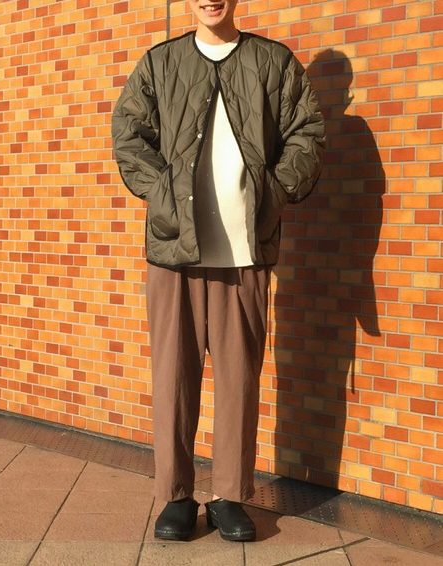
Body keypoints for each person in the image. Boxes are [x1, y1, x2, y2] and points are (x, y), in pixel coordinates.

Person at [112, 0, 325, 542]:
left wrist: (274, 192)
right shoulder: (159, 63)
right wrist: (161, 193)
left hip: (245, 252)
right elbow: (128, 134)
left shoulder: (273, 62)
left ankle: (230, 495)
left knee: (238, 381)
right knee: (173, 378)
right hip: (175, 251)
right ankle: (175, 496)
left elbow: (307, 134)